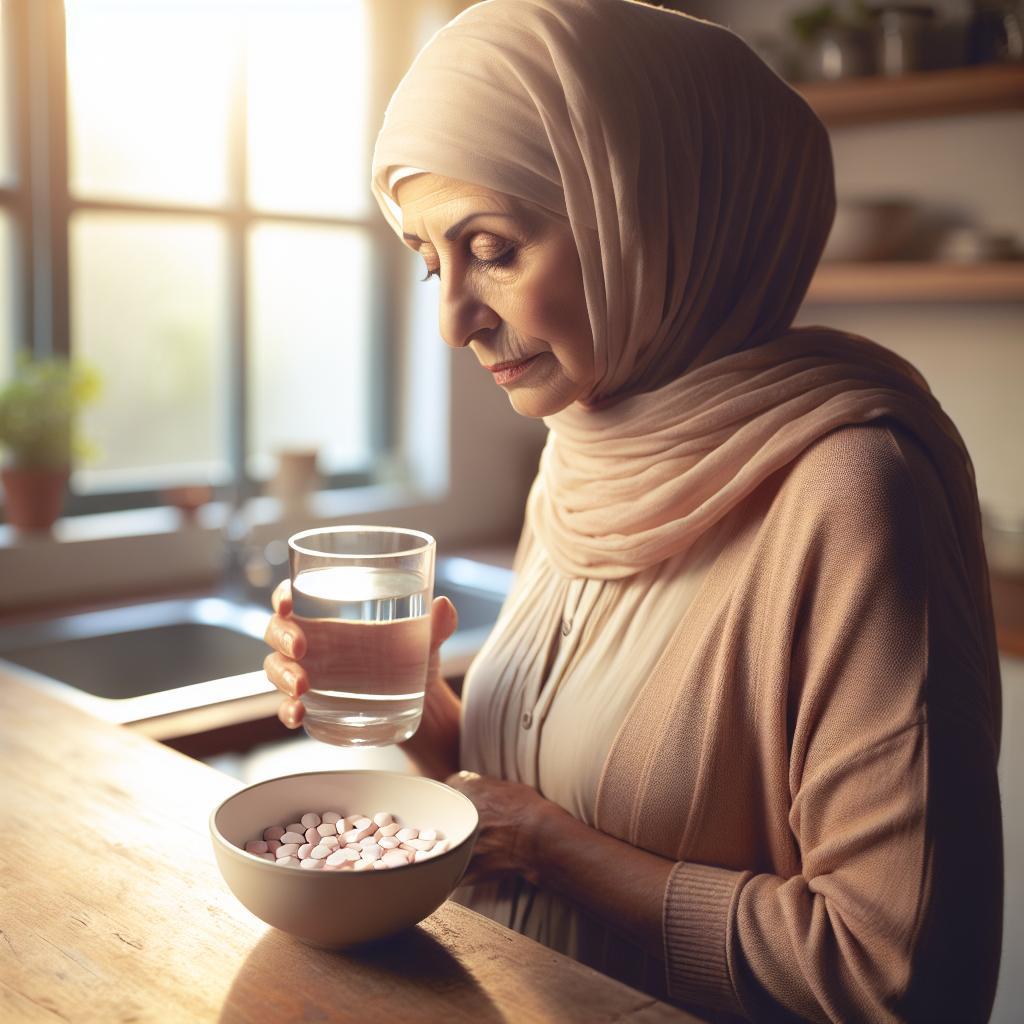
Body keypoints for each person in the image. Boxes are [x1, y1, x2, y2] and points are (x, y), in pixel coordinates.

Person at [262, 1, 1004, 1020]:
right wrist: (424, 714)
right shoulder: (583, 445)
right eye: (432, 261)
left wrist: (554, 851)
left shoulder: (856, 490)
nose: (452, 320)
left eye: (493, 247)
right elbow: (532, 794)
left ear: (648, 217)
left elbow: (892, 977)